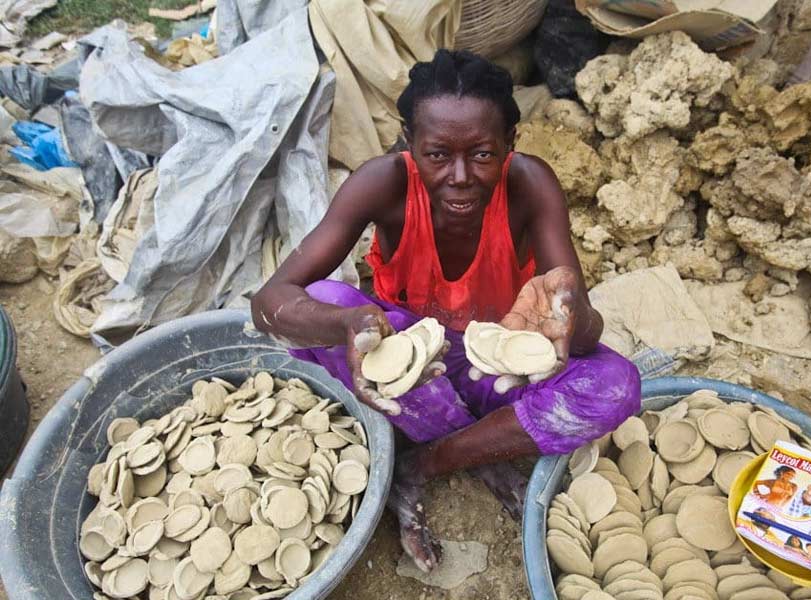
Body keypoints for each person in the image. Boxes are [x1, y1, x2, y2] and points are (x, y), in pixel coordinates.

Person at [251, 49, 640, 572]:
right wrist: (348, 325)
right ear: (410, 144)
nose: (460, 176)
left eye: (482, 155)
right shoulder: (381, 183)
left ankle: (427, 460)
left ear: (509, 146)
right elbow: (269, 302)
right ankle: (484, 445)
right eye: (437, 155)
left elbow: (583, 329)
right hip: (416, 365)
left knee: (616, 384)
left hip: (497, 364)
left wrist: (573, 316)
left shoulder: (531, 185)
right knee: (328, 299)